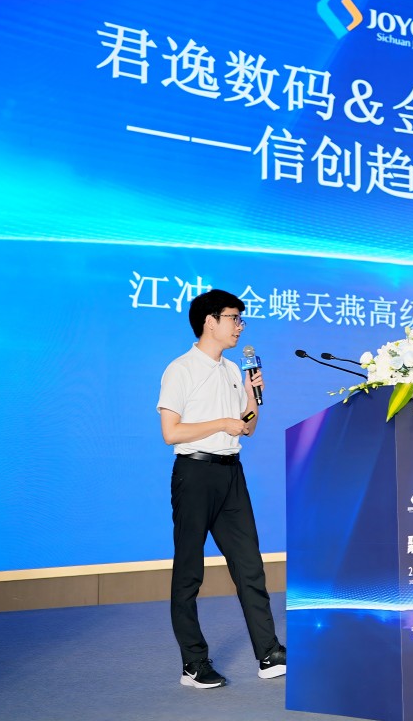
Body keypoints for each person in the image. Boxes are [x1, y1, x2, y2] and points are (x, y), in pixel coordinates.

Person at [157, 288, 286, 688]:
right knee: (189, 571)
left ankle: (269, 653)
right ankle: (193, 663)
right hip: (195, 474)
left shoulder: (233, 369)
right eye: (233, 318)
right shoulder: (180, 369)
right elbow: (170, 432)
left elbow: (246, 427)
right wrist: (220, 423)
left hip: (232, 474)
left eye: (240, 319)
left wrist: (252, 398)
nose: (240, 326)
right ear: (209, 321)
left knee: (250, 566)